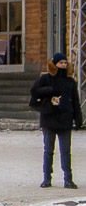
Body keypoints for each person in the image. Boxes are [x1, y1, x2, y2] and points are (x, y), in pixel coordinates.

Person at [30, 51, 82, 188]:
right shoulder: (46, 78)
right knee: (48, 150)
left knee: (66, 151)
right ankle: (47, 178)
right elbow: (34, 92)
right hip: (49, 119)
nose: (64, 65)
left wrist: (78, 119)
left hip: (65, 120)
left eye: (65, 62)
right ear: (55, 64)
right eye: (61, 62)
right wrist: (50, 91)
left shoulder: (70, 81)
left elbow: (75, 102)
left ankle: (68, 179)